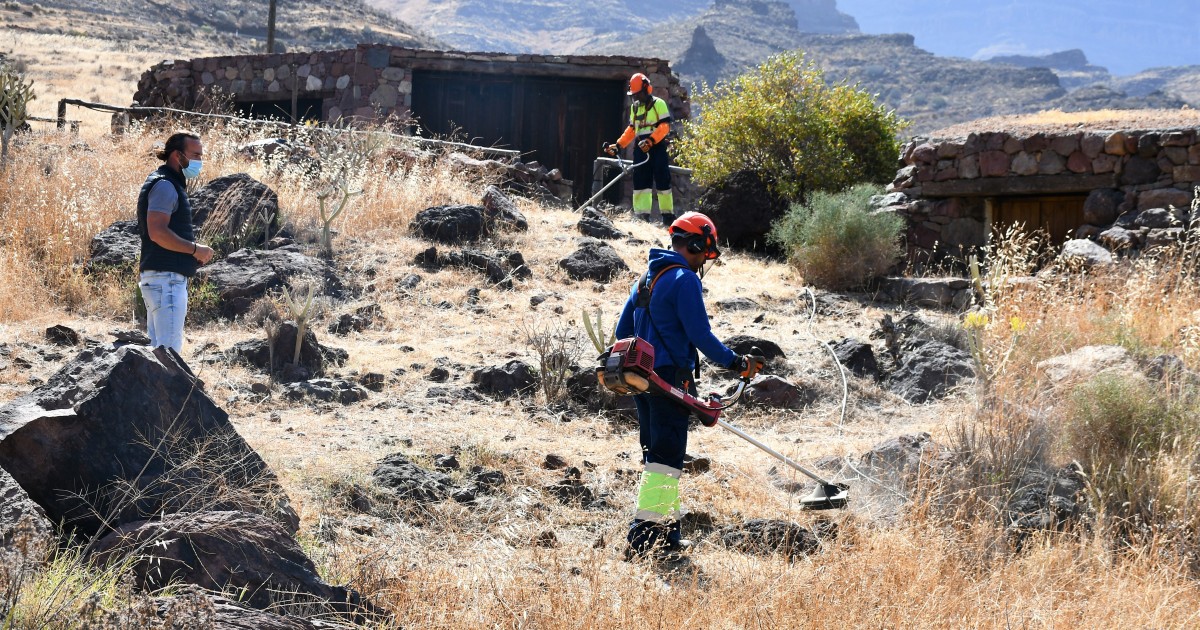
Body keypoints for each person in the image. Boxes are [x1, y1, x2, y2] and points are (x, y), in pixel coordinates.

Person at [613, 212, 764, 558]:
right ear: (695, 244)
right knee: (665, 460)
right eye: (704, 252)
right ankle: (643, 539)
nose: (703, 261)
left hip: (642, 380)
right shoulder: (684, 279)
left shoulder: (645, 280)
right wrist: (736, 362)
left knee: (658, 456)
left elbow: (622, 332)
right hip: (670, 379)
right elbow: (700, 335)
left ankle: (667, 536)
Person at [136, 131, 214, 353]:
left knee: (158, 352)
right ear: (177, 156)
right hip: (166, 281)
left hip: (162, 279)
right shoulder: (165, 185)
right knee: (169, 353)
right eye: (195, 155)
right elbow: (158, 232)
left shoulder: (168, 183)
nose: (199, 161)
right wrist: (195, 250)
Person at [604, 72, 676, 225]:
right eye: (634, 95)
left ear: (646, 89)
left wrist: (651, 140)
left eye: (638, 94)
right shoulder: (635, 108)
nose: (636, 97)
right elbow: (631, 130)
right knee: (641, 181)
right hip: (640, 150)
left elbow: (664, 127)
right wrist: (618, 145)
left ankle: (668, 217)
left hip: (657, 148)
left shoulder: (659, 104)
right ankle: (642, 217)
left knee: (663, 180)